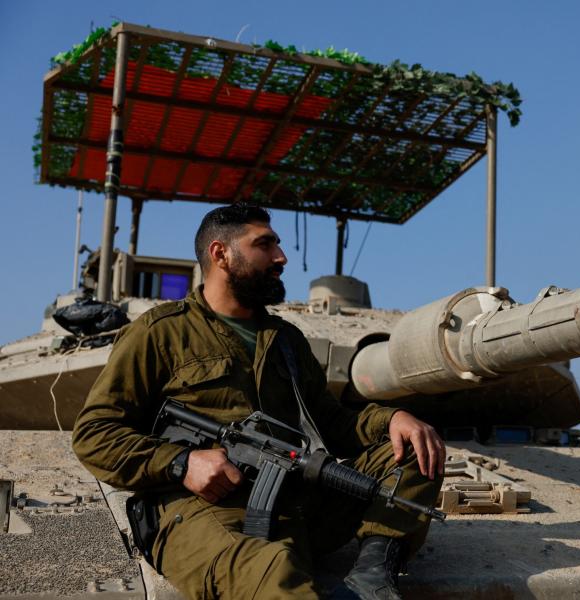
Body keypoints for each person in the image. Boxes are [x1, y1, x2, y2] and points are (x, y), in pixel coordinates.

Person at [72, 204, 445, 600]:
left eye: (278, 245)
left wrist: (392, 419)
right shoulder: (162, 333)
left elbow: (329, 421)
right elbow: (94, 434)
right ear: (220, 254)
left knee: (416, 450)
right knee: (275, 576)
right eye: (264, 245)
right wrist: (182, 463)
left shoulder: (285, 339)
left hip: (295, 499)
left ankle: (370, 578)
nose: (281, 257)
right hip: (205, 508)